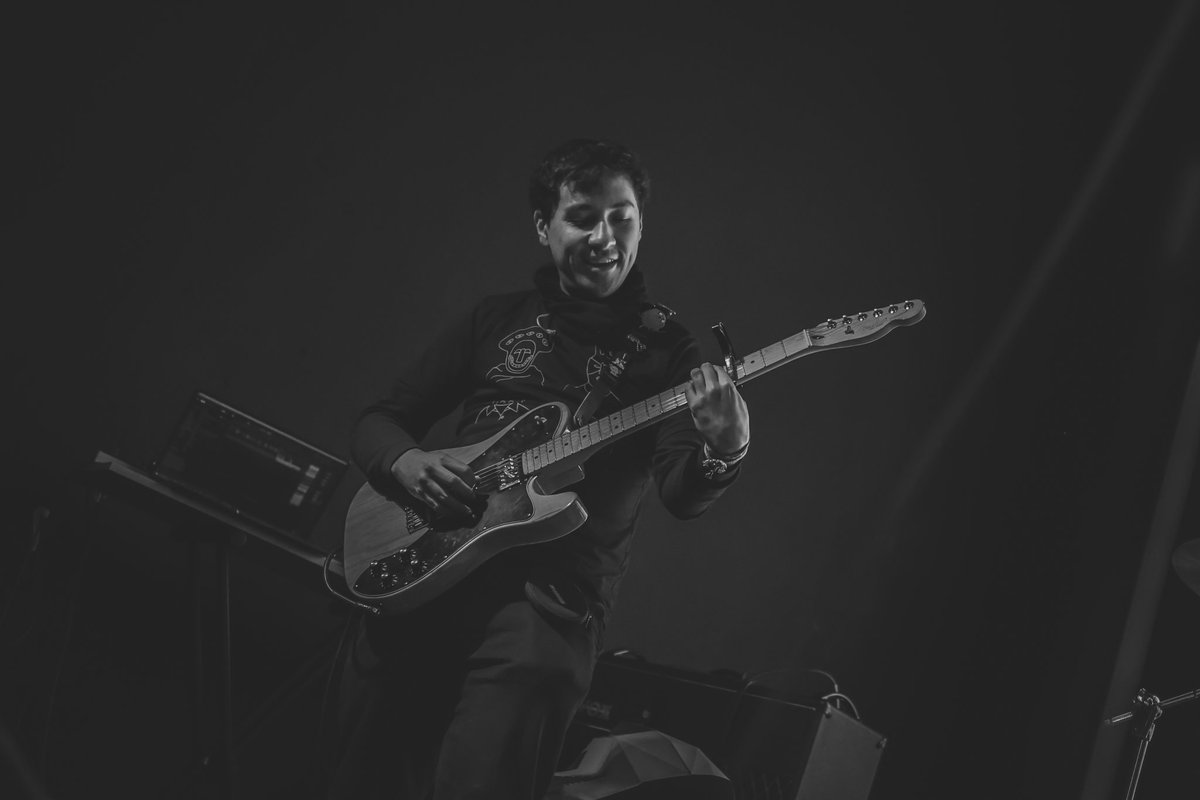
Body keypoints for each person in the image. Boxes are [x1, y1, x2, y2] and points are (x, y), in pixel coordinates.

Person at [326, 138, 751, 799]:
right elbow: (380, 420)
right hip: (423, 572)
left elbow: (682, 492)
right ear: (543, 226)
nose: (605, 235)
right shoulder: (496, 318)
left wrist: (725, 448)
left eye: (623, 215)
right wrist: (406, 464)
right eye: (583, 216)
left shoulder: (671, 353)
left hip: (541, 612)